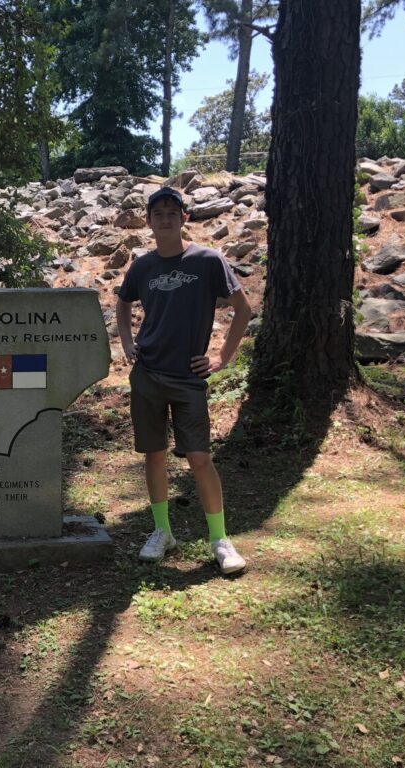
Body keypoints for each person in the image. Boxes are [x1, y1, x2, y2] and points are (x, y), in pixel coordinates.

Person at [115, 186, 253, 575]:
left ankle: (220, 540)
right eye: (157, 214)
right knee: (154, 454)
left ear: (184, 218)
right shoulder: (142, 266)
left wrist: (223, 357)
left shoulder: (208, 261)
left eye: (172, 213)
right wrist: (127, 342)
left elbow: (243, 309)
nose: (165, 219)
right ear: (149, 221)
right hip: (147, 375)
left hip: (188, 377)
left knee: (200, 458)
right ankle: (163, 532)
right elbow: (123, 303)